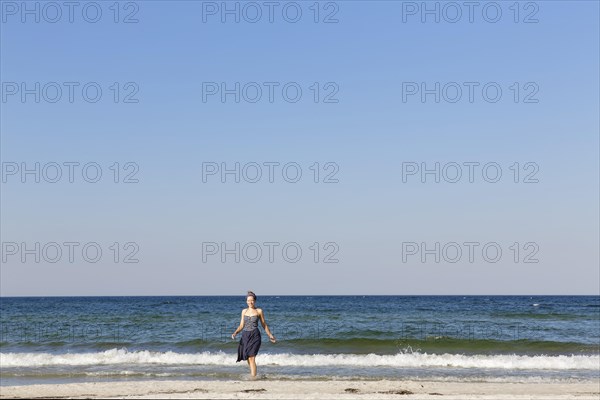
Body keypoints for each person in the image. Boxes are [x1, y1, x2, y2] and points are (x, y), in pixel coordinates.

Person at [231, 291, 276, 377]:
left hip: (255, 335)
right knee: (248, 357)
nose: (250, 302)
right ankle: (253, 373)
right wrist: (235, 332)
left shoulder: (259, 311)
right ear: (246, 301)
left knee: (252, 357)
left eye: (252, 300)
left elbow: (264, 324)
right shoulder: (244, 311)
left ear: (255, 301)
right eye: (248, 300)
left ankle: (253, 377)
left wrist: (270, 335)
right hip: (245, 336)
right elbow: (241, 325)